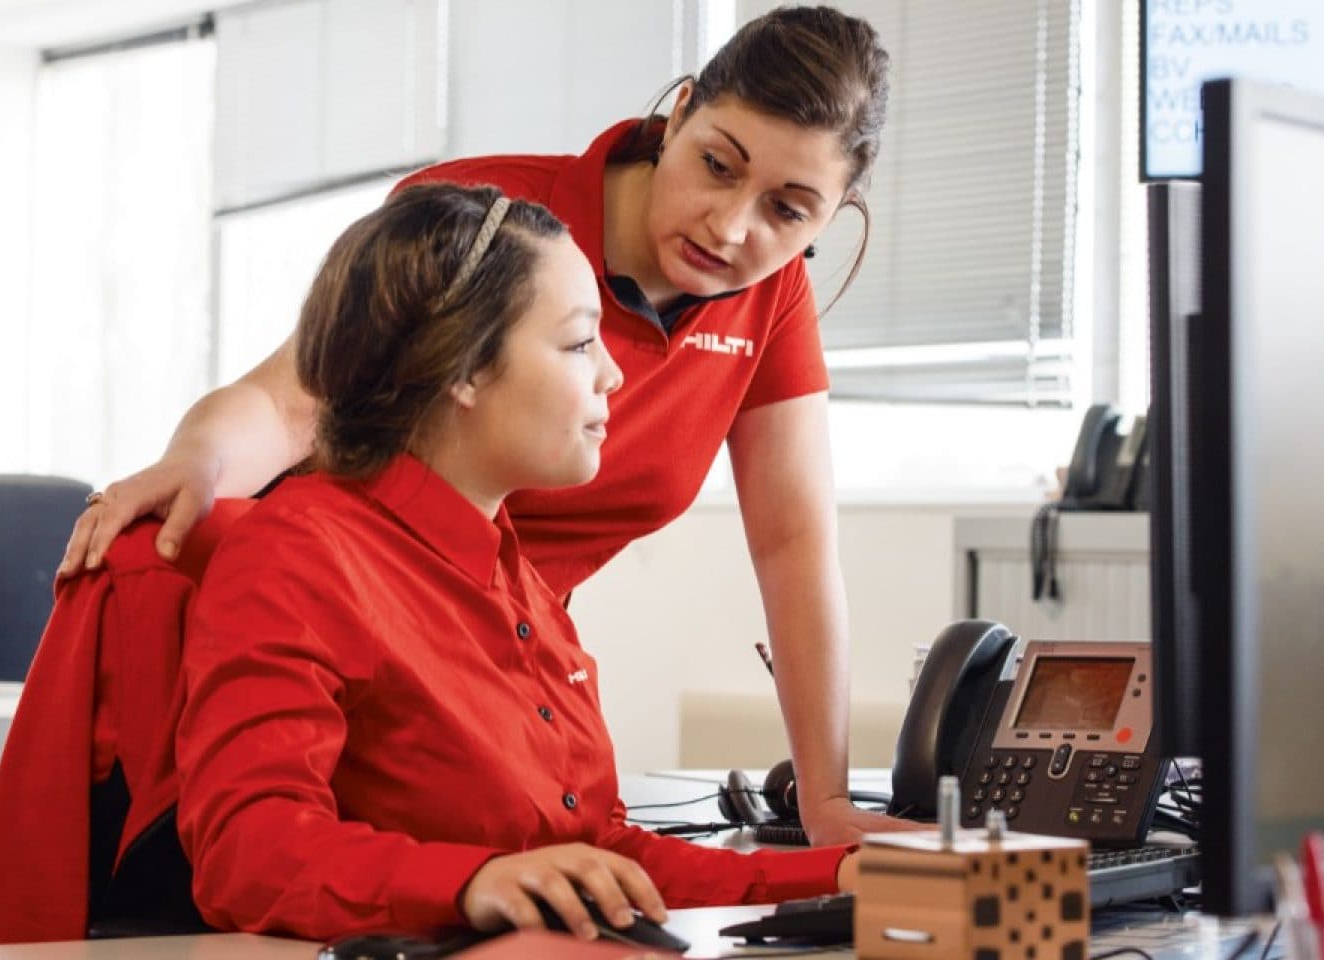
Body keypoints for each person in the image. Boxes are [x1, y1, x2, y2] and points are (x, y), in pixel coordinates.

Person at [68, 5, 904, 846]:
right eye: (717, 165)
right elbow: (294, 403)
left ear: (834, 215)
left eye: (788, 211)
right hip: (341, 637)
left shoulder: (771, 296)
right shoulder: (489, 218)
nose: (730, 226)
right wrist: (197, 460)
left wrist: (826, 803)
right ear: (679, 111)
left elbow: (794, 544)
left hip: (492, 677)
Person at [176, 182, 858, 941]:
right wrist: (472, 883)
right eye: (579, 343)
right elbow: (248, 854)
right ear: (463, 369)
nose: (613, 375)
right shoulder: (300, 555)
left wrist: (842, 875)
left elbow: (600, 855)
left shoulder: (521, 584)